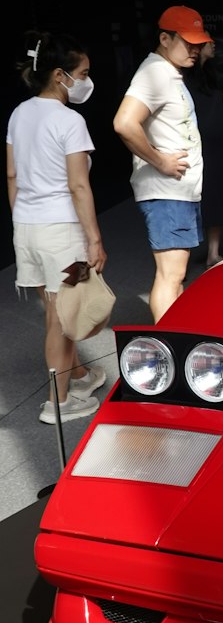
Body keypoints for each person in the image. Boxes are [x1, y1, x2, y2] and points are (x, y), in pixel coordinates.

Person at [5, 31, 108, 425]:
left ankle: (79, 375)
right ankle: (58, 402)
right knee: (61, 318)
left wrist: (25, 217)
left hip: (27, 230)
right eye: (82, 72)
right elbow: (78, 185)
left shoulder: (19, 114)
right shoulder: (70, 120)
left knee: (56, 307)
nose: (86, 79)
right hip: (63, 235)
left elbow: (12, 176)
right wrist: (94, 239)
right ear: (61, 74)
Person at [113, 5, 209, 321]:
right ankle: (168, 346)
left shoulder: (168, 72)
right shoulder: (154, 72)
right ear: (165, 39)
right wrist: (160, 162)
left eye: (199, 43)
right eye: (188, 42)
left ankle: (175, 339)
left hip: (178, 192)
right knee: (171, 275)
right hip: (168, 192)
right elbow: (125, 123)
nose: (195, 50)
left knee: (176, 275)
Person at [187, 34, 223, 266]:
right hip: (194, 143)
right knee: (192, 196)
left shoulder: (213, 73)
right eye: (209, 42)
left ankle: (213, 253)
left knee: (217, 194)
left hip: (218, 143)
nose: (214, 44)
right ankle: (181, 256)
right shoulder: (183, 75)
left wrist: (215, 112)